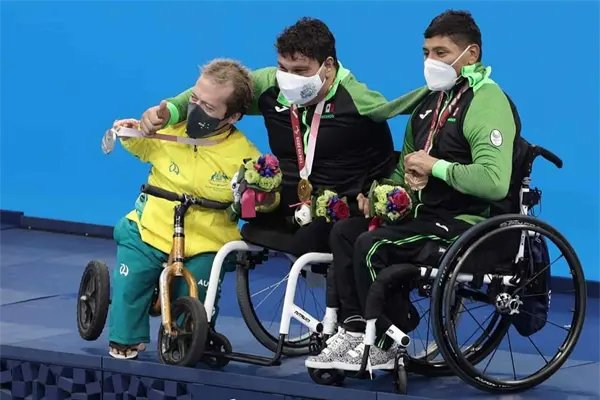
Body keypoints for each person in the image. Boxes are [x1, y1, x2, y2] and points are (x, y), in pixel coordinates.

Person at [306, 10, 520, 371]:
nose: (430, 61)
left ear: (471, 54)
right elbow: (403, 168)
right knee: (345, 232)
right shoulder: (429, 103)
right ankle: (355, 329)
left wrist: (436, 167)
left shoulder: (487, 101)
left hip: (466, 221)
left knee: (372, 244)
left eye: (441, 52)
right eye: (426, 52)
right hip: (422, 214)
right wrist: (381, 194)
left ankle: (386, 341)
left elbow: (494, 182)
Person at [138, 17, 429, 257]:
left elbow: (402, 114)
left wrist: (384, 189)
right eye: (283, 68)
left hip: (342, 201)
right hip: (294, 195)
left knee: (308, 240)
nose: (289, 78)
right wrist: (171, 111)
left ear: (328, 66)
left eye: (300, 71)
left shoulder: (357, 99)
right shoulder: (270, 83)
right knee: (250, 211)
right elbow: (216, 90)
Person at [108, 58, 263, 359]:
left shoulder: (246, 157)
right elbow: (142, 145)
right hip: (152, 227)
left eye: (209, 107)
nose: (196, 110)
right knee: (133, 277)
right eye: (195, 99)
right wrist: (129, 131)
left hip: (207, 241)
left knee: (200, 289)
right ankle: (125, 337)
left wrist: (261, 194)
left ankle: (187, 340)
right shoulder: (169, 129)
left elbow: (254, 202)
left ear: (233, 116)